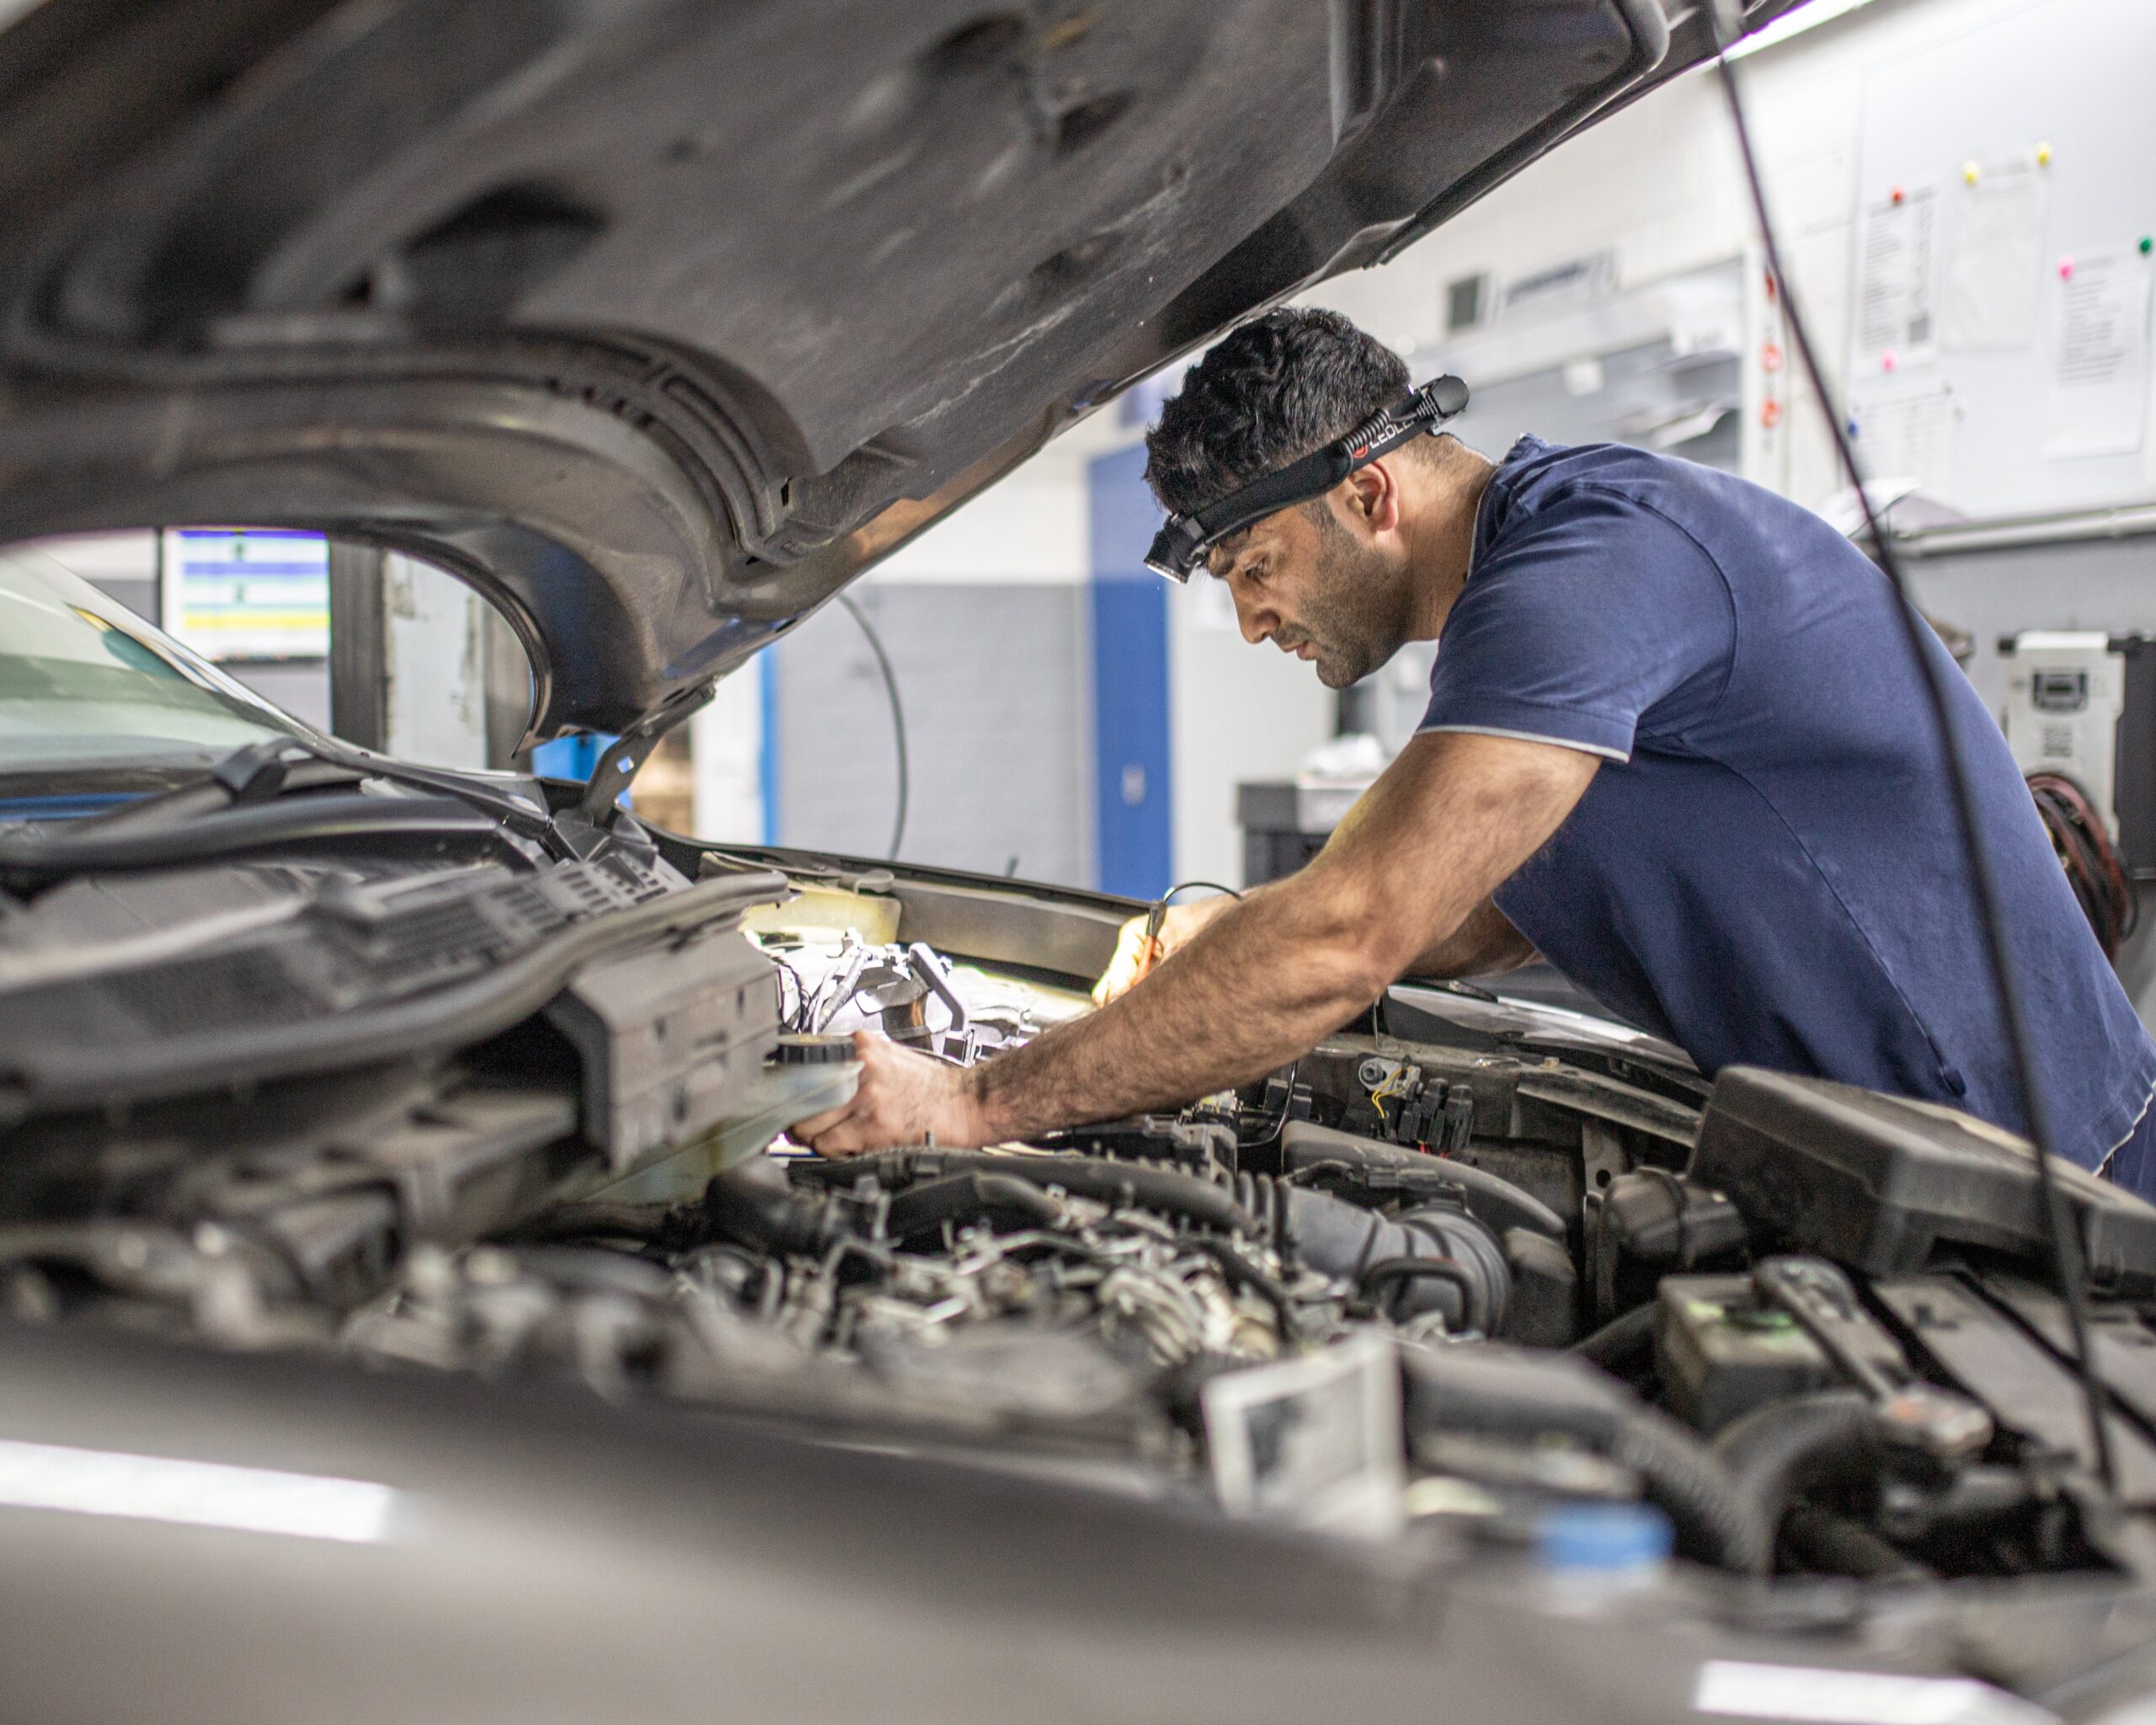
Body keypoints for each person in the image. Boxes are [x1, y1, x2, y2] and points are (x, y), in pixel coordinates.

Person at [788, 307, 2156, 1195]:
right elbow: (1479, 906)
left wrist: (972, 1103)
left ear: (1370, 493)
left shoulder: (1590, 567)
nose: (1256, 619)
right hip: (1883, 1154)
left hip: (2043, 1171)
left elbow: (1357, 935)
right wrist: (1223, 948)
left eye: (1256, 566)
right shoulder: (1535, 593)